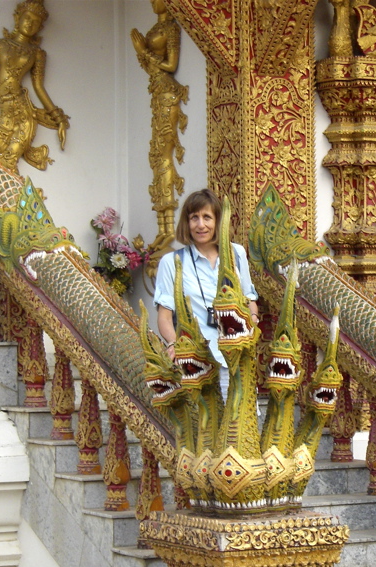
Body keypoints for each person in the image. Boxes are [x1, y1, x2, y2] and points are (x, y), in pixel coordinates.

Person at [153, 189, 259, 397]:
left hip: (237, 357)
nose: (201, 225)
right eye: (194, 218)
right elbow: (164, 317)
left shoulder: (236, 254)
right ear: (187, 223)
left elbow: (250, 298)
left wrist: (252, 320)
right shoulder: (172, 262)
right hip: (197, 363)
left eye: (207, 217)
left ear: (217, 221)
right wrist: (175, 344)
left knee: (240, 425)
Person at [0, 0, 69, 172]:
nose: (30, 23)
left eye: (36, 22)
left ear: (40, 28)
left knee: (10, 162)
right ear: (17, 17)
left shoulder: (37, 54)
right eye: (27, 17)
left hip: (24, 113)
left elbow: (39, 88)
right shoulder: (0, 46)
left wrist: (59, 119)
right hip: (6, 108)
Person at [131, 0, 188, 257]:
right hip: (157, 93)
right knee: (156, 157)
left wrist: (144, 51)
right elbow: (150, 68)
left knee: (163, 156)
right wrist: (142, 53)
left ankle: (169, 229)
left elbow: (170, 65)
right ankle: (162, 227)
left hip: (167, 93)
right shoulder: (155, 27)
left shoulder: (171, 29)